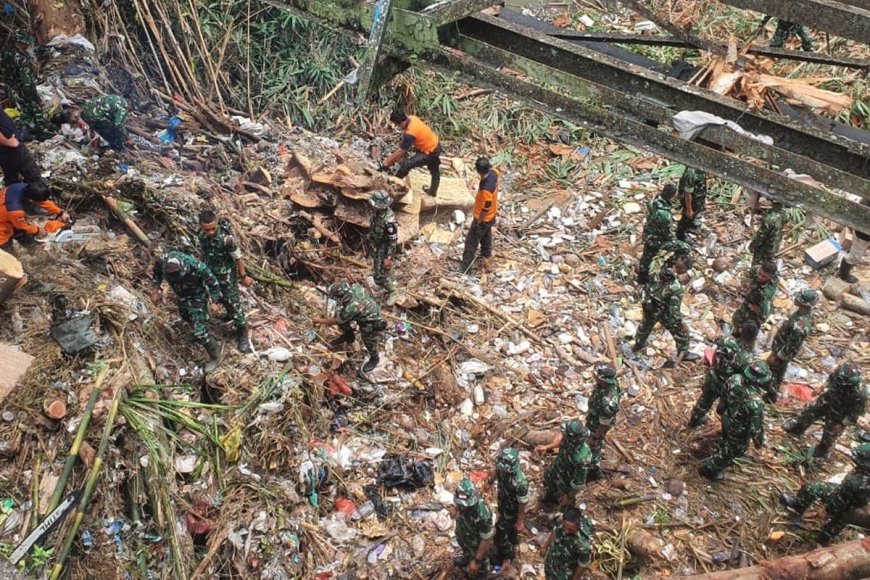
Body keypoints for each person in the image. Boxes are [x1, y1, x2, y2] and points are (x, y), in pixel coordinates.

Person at [781, 443, 870, 546]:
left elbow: (839, 501)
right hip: (857, 506)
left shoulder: (855, 481)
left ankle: (799, 505)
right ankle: (823, 540)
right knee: (836, 524)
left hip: (845, 502)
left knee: (812, 488)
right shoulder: (863, 476)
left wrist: (826, 510)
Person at [151, 251, 224, 372]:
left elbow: (213, 283)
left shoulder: (196, 266)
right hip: (181, 295)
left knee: (201, 331)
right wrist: (155, 290)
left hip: (197, 295)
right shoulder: (162, 261)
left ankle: (215, 357)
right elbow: (157, 274)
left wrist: (214, 302)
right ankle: (196, 331)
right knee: (185, 315)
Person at [698, 361, 771, 481]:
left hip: (727, 417)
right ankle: (709, 468)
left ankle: (721, 448)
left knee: (726, 438)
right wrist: (758, 442)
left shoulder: (735, 379)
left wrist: (721, 409)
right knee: (734, 451)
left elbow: (724, 396)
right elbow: (756, 427)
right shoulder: (756, 402)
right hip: (739, 429)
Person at [783, 363, 867, 459]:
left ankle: (822, 451)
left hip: (841, 412)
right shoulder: (840, 372)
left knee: (830, 434)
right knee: (809, 412)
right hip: (829, 398)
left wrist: (843, 424)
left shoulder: (861, 393)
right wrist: (822, 387)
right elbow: (831, 379)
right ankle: (797, 429)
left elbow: (856, 413)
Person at [198, 210, 253, 354]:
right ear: (201, 226)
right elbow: (203, 251)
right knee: (215, 298)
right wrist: (199, 266)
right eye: (206, 229)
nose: (210, 232)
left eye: (212, 228)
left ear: (216, 223)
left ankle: (242, 334)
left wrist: (243, 276)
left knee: (233, 303)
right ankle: (227, 315)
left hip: (227, 277)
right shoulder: (202, 236)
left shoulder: (227, 239)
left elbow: (238, 258)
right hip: (210, 275)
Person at [687, 322, 758, 428]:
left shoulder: (726, 340)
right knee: (727, 410)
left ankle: (694, 421)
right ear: (754, 338)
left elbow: (715, 354)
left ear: (740, 331)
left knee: (704, 401)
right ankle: (726, 432)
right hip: (726, 387)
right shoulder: (747, 358)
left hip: (713, 376)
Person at [633, 253, 700, 362]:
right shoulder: (676, 287)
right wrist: (679, 322)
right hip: (663, 311)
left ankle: (638, 345)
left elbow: (642, 274)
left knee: (645, 326)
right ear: (683, 270)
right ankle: (684, 353)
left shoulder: (657, 270)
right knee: (682, 332)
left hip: (649, 305)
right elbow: (674, 311)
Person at [313, 282, 386, 373]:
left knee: (368, 339)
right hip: (366, 309)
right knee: (341, 316)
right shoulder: (355, 287)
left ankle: (374, 358)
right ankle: (349, 335)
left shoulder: (351, 307)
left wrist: (319, 321)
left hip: (371, 320)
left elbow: (337, 320)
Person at [766, 289, 817, 402]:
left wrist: (777, 357)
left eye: (798, 299)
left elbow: (792, 346)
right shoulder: (800, 314)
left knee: (774, 377)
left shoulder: (801, 324)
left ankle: (770, 397)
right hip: (779, 350)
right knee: (774, 375)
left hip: (781, 355)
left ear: (803, 303)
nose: (795, 299)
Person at [381, 109, 441, 196]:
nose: (398, 127)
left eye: (397, 125)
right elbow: (405, 145)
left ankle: (393, 184)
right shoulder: (412, 118)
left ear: (401, 123)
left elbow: (401, 152)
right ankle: (433, 192)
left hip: (430, 152)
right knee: (435, 171)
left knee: (406, 164)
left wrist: (387, 162)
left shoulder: (410, 133)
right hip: (434, 144)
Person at [488, 448, 529, 570]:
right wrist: (490, 481)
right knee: (509, 530)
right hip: (503, 502)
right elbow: (496, 470)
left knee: (501, 531)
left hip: (512, 510)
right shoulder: (502, 466)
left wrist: (520, 521)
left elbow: (523, 503)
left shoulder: (520, 481)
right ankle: (512, 540)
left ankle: (507, 557)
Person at [536, 419, 593, 505]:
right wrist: (547, 447)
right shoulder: (570, 439)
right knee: (549, 481)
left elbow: (578, 483)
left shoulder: (581, 458)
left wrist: (569, 496)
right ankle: (550, 497)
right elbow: (561, 441)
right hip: (557, 467)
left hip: (567, 480)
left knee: (563, 502)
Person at [0, 181, 68, 250]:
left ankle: (30, 246)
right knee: (7, 249)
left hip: (7, 212)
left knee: (22, 234)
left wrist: (60, 212)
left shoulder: (23, 187)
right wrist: (38, 230)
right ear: (31, 200)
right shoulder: (15, 211)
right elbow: (22, 227)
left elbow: (43, 202)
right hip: (2, 229)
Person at [0, 31, 45, 132]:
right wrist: (36, 98)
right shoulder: (21, 60)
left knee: (17, 113)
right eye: (27, 44)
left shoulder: (5, 52)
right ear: (22, 42)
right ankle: (36, 131)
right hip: (22, 92)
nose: (27, 46)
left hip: (10, 89)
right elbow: (27, 84)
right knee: (33, 115)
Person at [461, 157, 498, 272]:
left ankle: (466, 268)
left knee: (471, 242)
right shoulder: (494, 173)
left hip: (484, 218)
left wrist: (479, 221)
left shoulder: (485, 190)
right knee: (486, 234)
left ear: (478, 171)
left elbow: (485, 207)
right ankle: (486, 254)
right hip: (492, 214)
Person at [452, 478, 494, 579]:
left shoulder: (482, 513)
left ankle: (480, 572)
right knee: (466, 548)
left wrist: (477, 561)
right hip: (465, 534)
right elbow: (459, 504)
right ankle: (467, 558)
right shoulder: (462, 501)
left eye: (466, 505)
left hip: (477, 545)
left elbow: (486, 539)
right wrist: (456, 509)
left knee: (479, 568)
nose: (464, 507)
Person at [586, 363, 622, 477]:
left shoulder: (608, 402)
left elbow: (604, 423)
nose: (593, 375)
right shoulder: (605, 385)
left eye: (596, 374)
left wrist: (595, 437)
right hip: (594, 416)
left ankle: (593, 469)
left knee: (594, 446)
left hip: (598, 425)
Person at [637, 183, 675, 284]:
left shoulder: (655, 200)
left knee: (646, 257)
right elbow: (667, 232)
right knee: (650, 258)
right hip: (656, 238)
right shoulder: (664, 214)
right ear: (672, 195)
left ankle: (642, 276)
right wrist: (672, 241)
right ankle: (646, 279)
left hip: (649, 232)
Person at [543, 506, 594, 580]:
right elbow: (555, 531)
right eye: (564, 527)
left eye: (570, 530)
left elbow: (582, 566)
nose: (566, 531)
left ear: (578, 526)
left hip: (564, 574)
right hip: (551, 563)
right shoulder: (562, 521)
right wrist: (545, 547)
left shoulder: (583, 545)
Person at [366, 191, 398, 305]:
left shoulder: (389, 221)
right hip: (376, 244)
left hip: (384, 248)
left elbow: (393, 241)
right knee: (384, 269)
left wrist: (388, 257)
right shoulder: (377, 213)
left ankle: (393, 291)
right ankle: (391, 281)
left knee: (378, 275)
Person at [732, 261, 778, 336]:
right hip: (749, 301)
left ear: (770, 277)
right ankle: (736, 331)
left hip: (757, 307)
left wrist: (758, 310)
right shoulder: (756, 269)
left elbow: (765, 313)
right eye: (759, 273)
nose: (760, 277)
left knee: (749, 331)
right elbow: (748, 276)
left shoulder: (766, 292)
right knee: (737, 319)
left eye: (764, 276)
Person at [0, 108, 43, 186]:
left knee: (11, 178)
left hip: (4, 150)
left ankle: (15, 196)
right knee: (34, 177)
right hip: (10, 148)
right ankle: (36, 196)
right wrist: (8, 142)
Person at [839, 199, 869, 284]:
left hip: (864, 231)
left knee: (857, 252)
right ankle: (844, 275)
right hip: (863, 233)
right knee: (855, 256)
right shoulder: (866, 202)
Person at [749, 201, 786, 268]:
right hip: (774, 247)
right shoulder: (783, 214)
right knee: (767, 266)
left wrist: (753, 245)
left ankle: (755, 276)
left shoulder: (770, 218)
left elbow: (761, 235)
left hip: (764, 248)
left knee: (757, 267)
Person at [676, 168, 707, 242]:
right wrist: (689, 209)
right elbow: (687, 194)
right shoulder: (691, 174)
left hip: (698, 195)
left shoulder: (701, 168)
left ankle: (691, 224)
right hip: (691, 199)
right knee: (687, 216)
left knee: (694, 213)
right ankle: (680, 234)